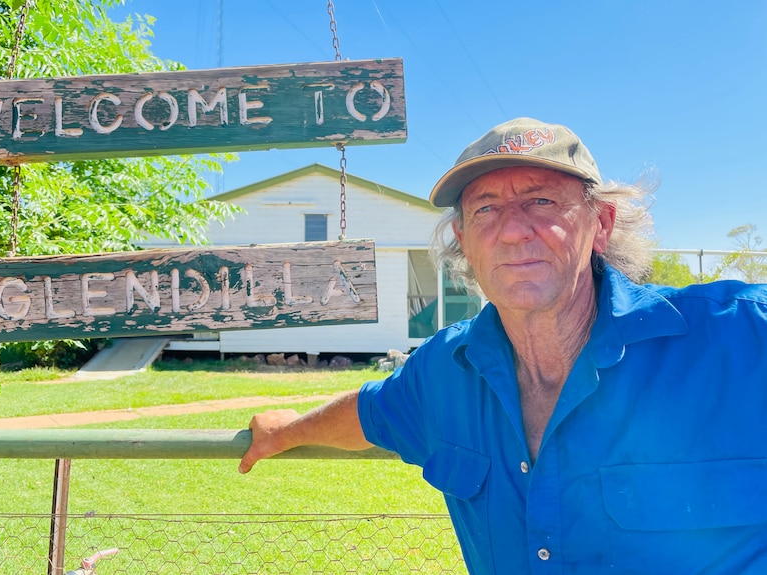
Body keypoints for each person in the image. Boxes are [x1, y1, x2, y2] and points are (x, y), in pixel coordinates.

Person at [238, 117, 767, 574]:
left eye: (541, 201)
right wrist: (285, 432)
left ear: (600, 224)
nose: (513, 231)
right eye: (486, 209)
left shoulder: (737, 335)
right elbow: (370, 413)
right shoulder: (445, 371)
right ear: (464, 240)